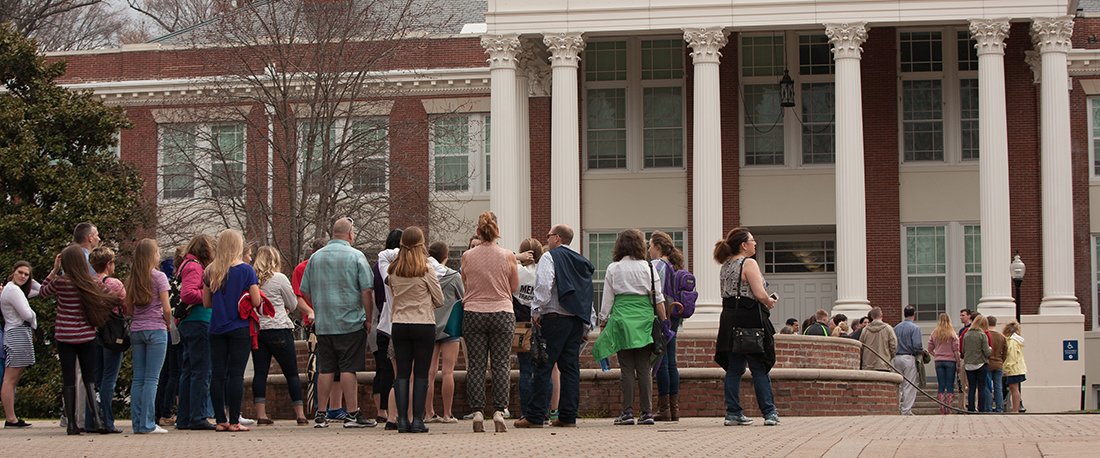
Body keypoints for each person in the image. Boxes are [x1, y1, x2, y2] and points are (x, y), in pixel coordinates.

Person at [514, 223, 594, 429]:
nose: (547, 239)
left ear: (556, 238)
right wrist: (588, 323)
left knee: (543, 366)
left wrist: (535, 311)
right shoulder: (582, 260)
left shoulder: (550, 257)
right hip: (576, 320)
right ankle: (567, 416)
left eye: (549, 235)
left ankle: (535, 415)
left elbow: (544, 285)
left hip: (554, 318)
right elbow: (586, 292)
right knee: (570, 369)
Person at [300, 218, 376, 428]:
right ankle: (352, 414)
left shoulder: (315, 257)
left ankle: (320, 414)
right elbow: (367, 290)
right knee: (348, 369)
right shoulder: (356, 256)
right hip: (350, 322)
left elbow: (304, 289)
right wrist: (368, 319)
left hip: (324, 324)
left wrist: (320, 305)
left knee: (325, 369)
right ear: (350, 234)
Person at [593, 229, 669, 426]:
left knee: (626, 368)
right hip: (644, 319)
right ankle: (647, 412)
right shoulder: (649, 268)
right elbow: (658, 298)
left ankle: (627, 412)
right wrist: (665, 322)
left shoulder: (613, 269)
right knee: (644, 367)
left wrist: (603, 323)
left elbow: (607, 299)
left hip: (622, 320)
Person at [40, 244, 118, 435]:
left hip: (64, 336)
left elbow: (43, 291)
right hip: (86, 335)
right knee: (89, 378)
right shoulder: (89, 283)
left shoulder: (60, 282)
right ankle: (98, 421)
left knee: (69, 380)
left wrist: (54, 270)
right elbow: (113, 296)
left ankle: (71, 424)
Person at [713, 228, 779, 427]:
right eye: (752, 240)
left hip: (729, 319)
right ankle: (769, 413)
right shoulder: (748, 263)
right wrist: (769, 301)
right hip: (749, 318)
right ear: (744, 245)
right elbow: (759, 294)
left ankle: (733, 412)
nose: (755, 243)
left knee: (734, 369)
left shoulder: (725, 266)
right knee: (758, 367)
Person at [460, 212, 518, 433]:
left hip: (474, 311)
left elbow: (465, 282)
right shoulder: (508, 256)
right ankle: (499, 411)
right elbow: (513, 287)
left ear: (478, 232)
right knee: (501, 363)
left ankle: (476, 412)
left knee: (476, 364)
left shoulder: (467, 256)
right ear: (497, 233)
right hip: (502, 312)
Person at [386, 227, 444, 433]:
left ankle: (402, 420)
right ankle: (418, 420)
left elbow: (393, 293)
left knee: (401, 372)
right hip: (422, 323)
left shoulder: (393, 270)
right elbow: (439, 299)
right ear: (421, 245)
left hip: (400, 324)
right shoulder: (426, 269)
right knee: (420, 373)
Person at [202, 229, 260, 432]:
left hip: (216, 328)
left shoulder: (210, 270)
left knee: (217, 375)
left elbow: (206, 303)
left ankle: (220, 420)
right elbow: (256, 300)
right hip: (238, 327)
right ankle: (234, 420)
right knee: (236, 375)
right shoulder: (246, 270)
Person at [252, 246, 309, 425]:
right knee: (291, 372)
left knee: (260, 373)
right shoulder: (279, 278)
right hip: (279, 327)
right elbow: (292, 304)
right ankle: (300, 414)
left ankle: (261, 415)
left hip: (258, 329)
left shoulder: (251, 279)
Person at [123, 239, 172, 434]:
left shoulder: (132, 279)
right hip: (156, 328)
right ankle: (148, 423)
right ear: (152, 256)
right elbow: (166, 308)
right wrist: (167, 323)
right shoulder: (159, 277)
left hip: (137, 330)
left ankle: (137, 423)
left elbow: (129, 308)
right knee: (152, 379)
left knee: (139, 379)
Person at [175, 233, 218, 431]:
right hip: (198, 322)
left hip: (188, 323)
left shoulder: (186, 264)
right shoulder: (194, 266)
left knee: (188, 371)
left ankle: (184, 417)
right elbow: (188, 294)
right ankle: (198, 416)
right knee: (202, 371)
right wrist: (210, 293)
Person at [86, 248, 126, 434]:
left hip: (91, 332)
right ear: (108, 264)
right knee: (109, 379)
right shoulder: (115, 284)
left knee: (94, 378)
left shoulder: (87, 283)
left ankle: (91, 420)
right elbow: (126, 306)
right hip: (111, 334)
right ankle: (107, 421)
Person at [426, 241, 464, 424]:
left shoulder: (425, 274)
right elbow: (463, 297)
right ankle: (448, 413)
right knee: (448, 372)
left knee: (429, 373)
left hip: (429, 326)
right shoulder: (453, 276)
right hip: (450, 327)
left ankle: (429, 412)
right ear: (446, 256)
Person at [649, 230, 685, 422]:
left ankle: (664, 409)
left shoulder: (656, 265)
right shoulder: (673, 265)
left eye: (651, 245)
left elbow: (654, 293)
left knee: (661, 359)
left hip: (662, 313)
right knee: (672, 361)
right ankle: (673, 408)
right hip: (675, 313)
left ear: (658, 247)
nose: (648, 249)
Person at [2, 261, 39, 428]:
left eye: (26, 274)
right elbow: (26, 313)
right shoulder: (13, 290)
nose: (23, 276)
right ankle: (11, 418)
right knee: (10, 379)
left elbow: (39, 289)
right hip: (16, 332)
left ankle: (11, 417)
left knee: (14, 378)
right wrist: (33, 315)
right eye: (20, 272)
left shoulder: (15, 289)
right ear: (13, 272)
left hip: (18, 333)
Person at [373, 229, 402, 429]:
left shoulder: (379, 266)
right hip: (396, 321)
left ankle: (383, 411)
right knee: (399, 373)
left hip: (382, 320)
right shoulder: (406, 267)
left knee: (383, 370)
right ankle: (397, 413)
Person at [155, 245, 186, 427]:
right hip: (173, 331)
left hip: (165, 333)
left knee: (166, 374)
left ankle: (161, 411)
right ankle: (169, 412)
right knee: (177, 373)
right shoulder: (176, 280)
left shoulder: (167, 276)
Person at [928, 313, 961, 414]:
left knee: (941, 385)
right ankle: (949, 408)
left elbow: (929, 349)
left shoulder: (934, 333)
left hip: (939, 361)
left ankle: (942, 409)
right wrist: (958, 364)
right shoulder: (952, 334)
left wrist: (937, 355)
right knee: (950, 385)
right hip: (950, 361)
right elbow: (956, 350)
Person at [893, 305, 922, 416]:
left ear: (904, 314)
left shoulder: (896, 327)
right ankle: (906, 410)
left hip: (897, 357)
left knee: (898, 385)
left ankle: (895, 407)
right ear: (914, 314)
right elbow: (917, 345)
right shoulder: (915, 328)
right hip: (909, 357)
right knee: (909, 385)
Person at [961, 315, 993, 412]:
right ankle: (981, 408)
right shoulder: (982, 335)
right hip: (980, 363)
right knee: (981, 387)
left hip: (969, 364)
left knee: (971, 387)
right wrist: (990, 350)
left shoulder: (966, 334)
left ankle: (971, 408)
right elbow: (987, 352)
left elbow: (963, 350)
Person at [858, 307, 896, 371]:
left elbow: (861, 347)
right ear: (881, 315)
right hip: (884, 364)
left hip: (868, 365)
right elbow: (893, 346)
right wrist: (888, 356)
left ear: (871, 317)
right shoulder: (888, 329)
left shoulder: (865, 330)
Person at [1002, 321, 1027, 413]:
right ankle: (1015, 408)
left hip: (1013, 369)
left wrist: (1007, 369)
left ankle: (1015, 409)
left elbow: (1011, 356)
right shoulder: (1014, 341)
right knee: (1014, 388)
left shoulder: (1011, 342)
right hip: (1016, 368)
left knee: (1014, 388)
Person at [986, 316, 1007, 413]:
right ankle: (999, 408)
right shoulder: (1002, 337)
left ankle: (989, 408)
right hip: (998, 364)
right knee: (998, 387)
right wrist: (1001, 361)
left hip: (989, 364)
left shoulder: (986, 335)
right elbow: (1006, 352)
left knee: (988, 387)